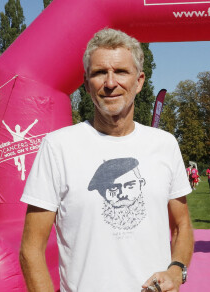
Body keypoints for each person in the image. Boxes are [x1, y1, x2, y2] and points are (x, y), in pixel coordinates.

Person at [19, 28, 194, 292]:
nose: (110, 83)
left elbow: (182, 226)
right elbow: (31, 250)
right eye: (100, 73)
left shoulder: (165, 144)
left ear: (139, 81)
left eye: (121, 72)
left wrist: (176, 269)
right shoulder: (58, 147)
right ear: (87, 82)